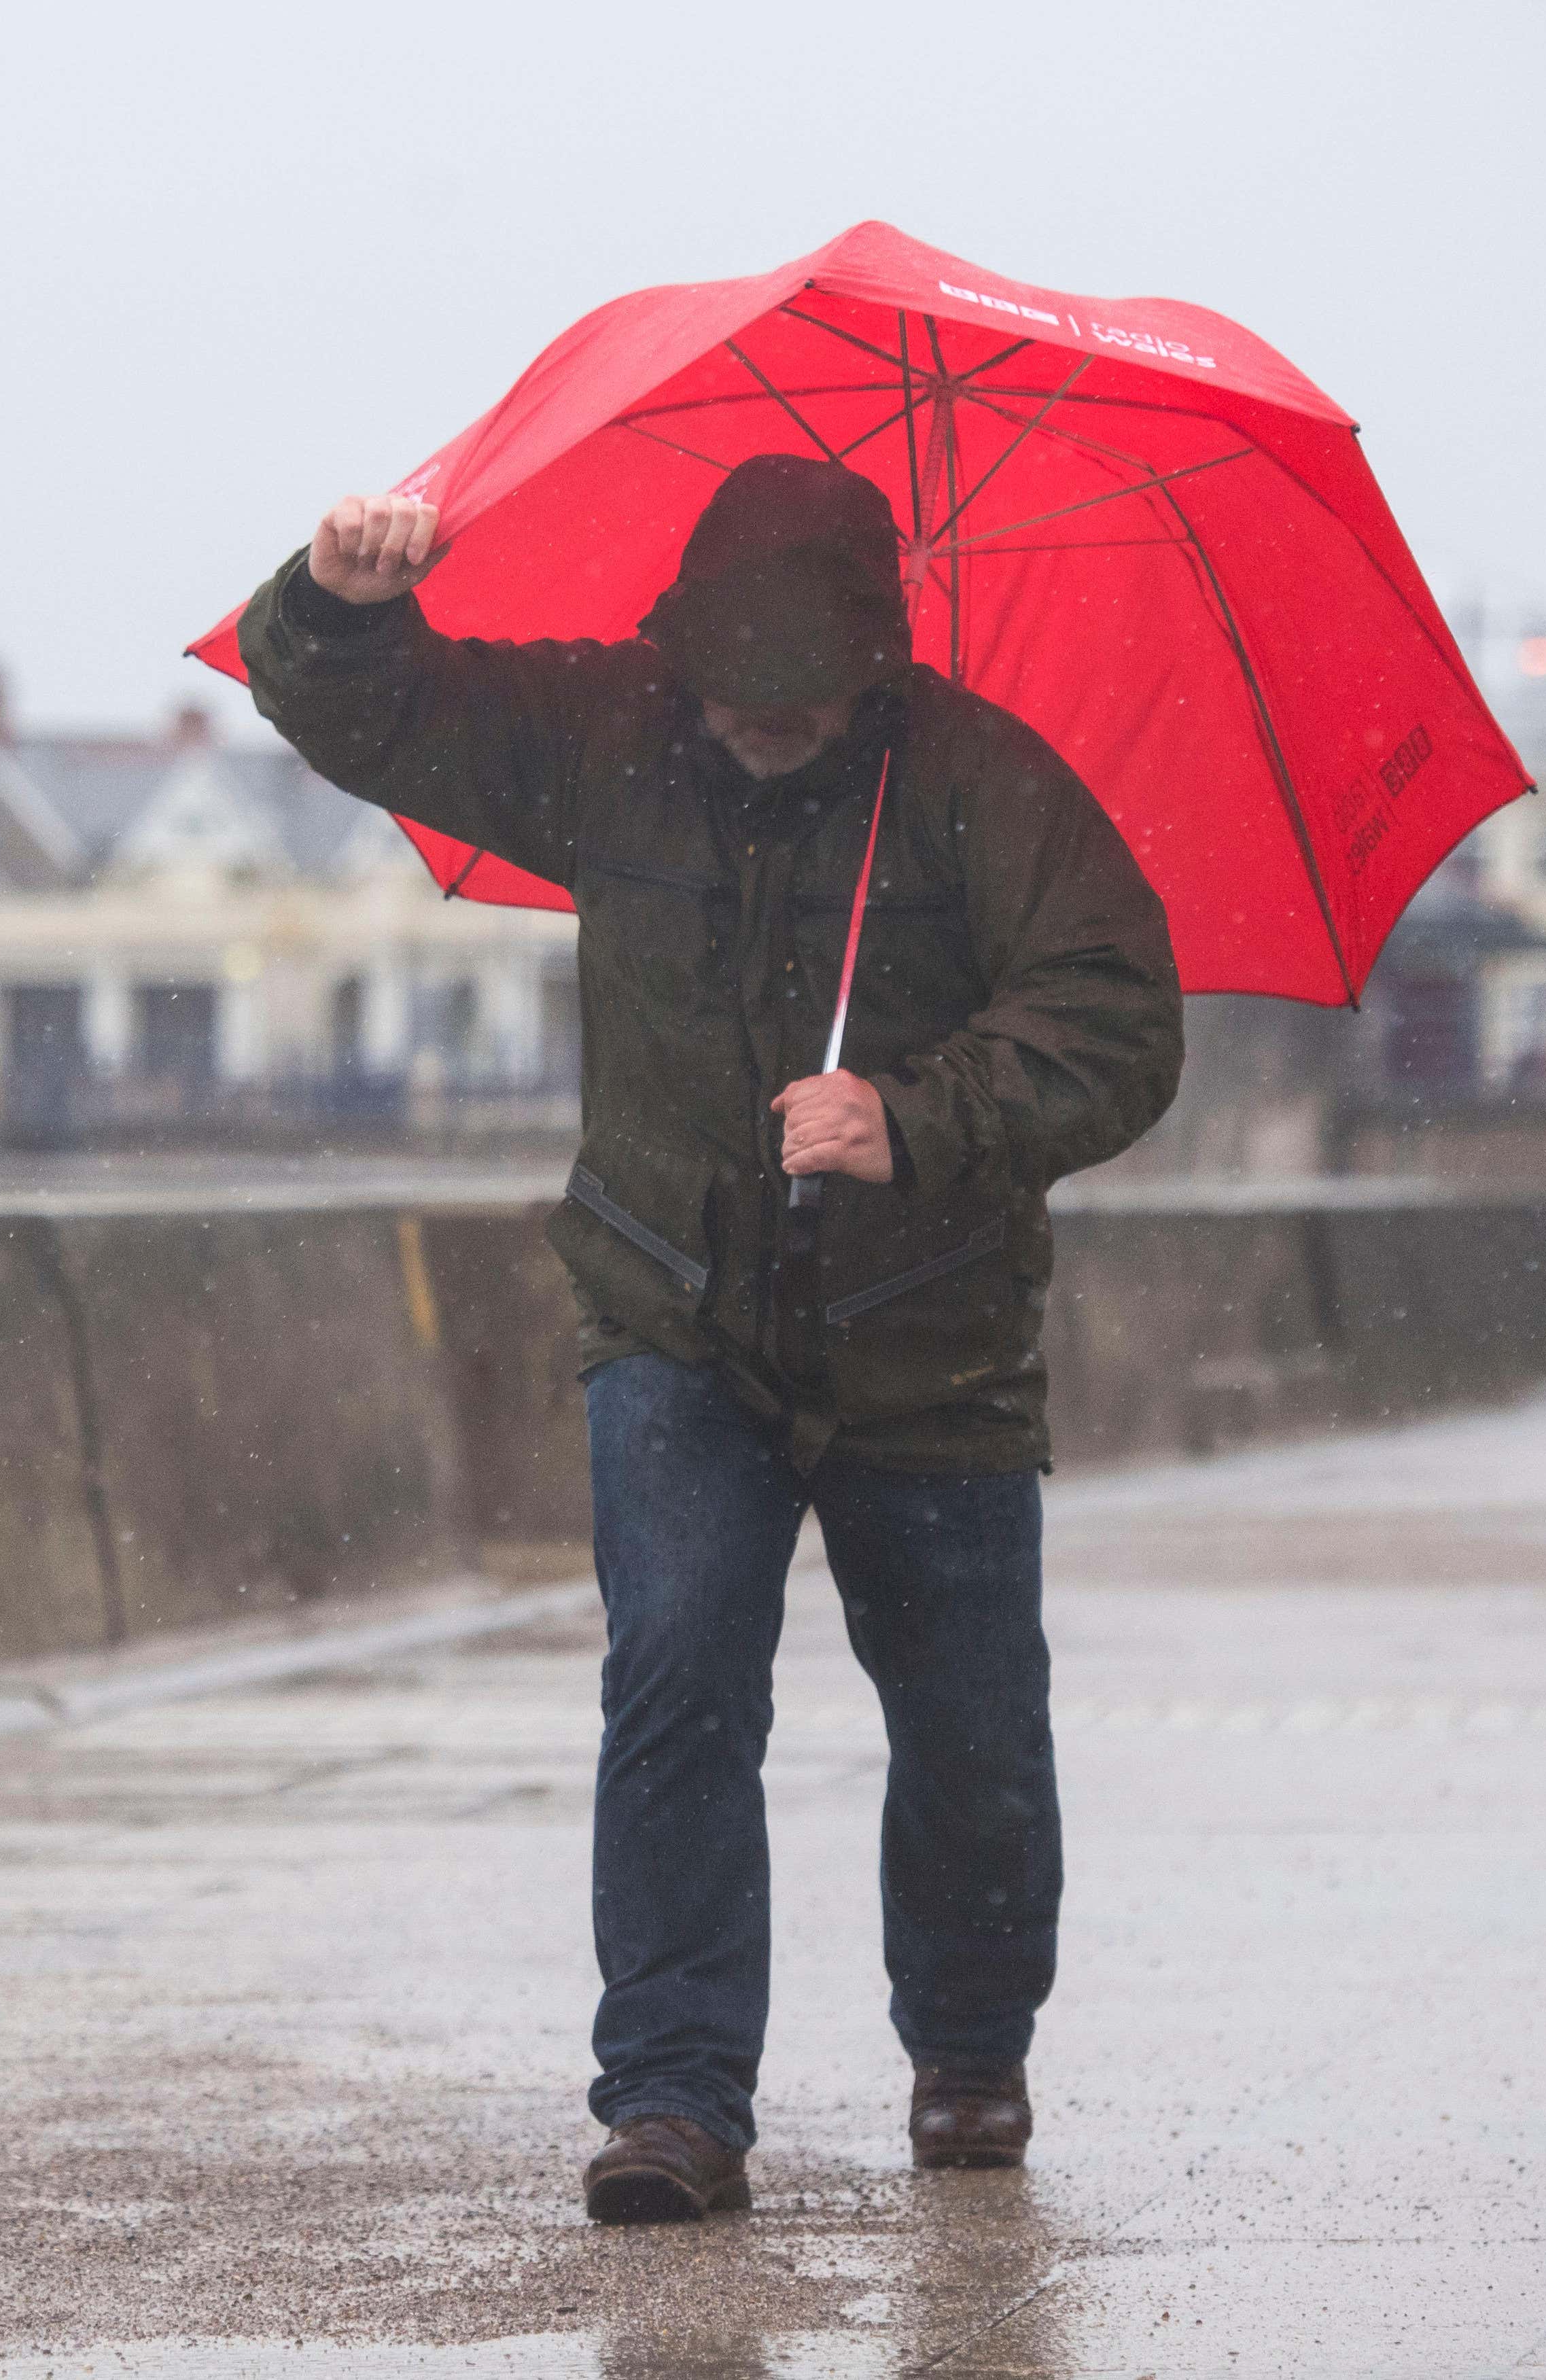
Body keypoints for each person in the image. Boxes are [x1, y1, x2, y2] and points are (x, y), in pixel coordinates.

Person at [238, 455, 1184, 2223]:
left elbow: (1122, 1021)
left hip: (930, 1336)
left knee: (973, 1725)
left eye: (799, 703)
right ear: (681, 653)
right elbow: (382, 718)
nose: (760, 728)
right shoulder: (612, 735)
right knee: (675, 1680)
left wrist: (917, 1114)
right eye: (734, 696)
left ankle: (970, 2054)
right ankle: (672, 2102)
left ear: (872, 670)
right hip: (671, 1308)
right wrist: (340, 611)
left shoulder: (982, 783)